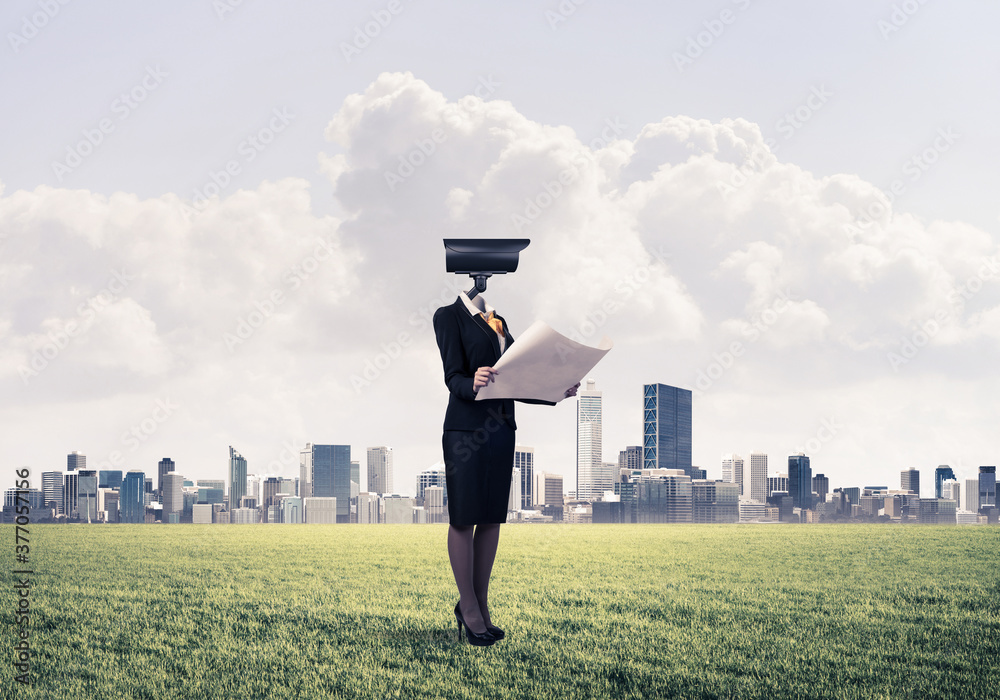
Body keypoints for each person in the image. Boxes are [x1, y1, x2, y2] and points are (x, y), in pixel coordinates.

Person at [433, 291, 579, 646]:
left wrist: (556, 392)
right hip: (465, 431)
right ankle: (467, 607)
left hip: (500, 430)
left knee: (491, 518)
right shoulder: (448, 315)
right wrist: (472, 381)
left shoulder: (500, 322)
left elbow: (518, 380)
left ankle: (481, 606)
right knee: (464, 519)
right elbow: (452, 376)